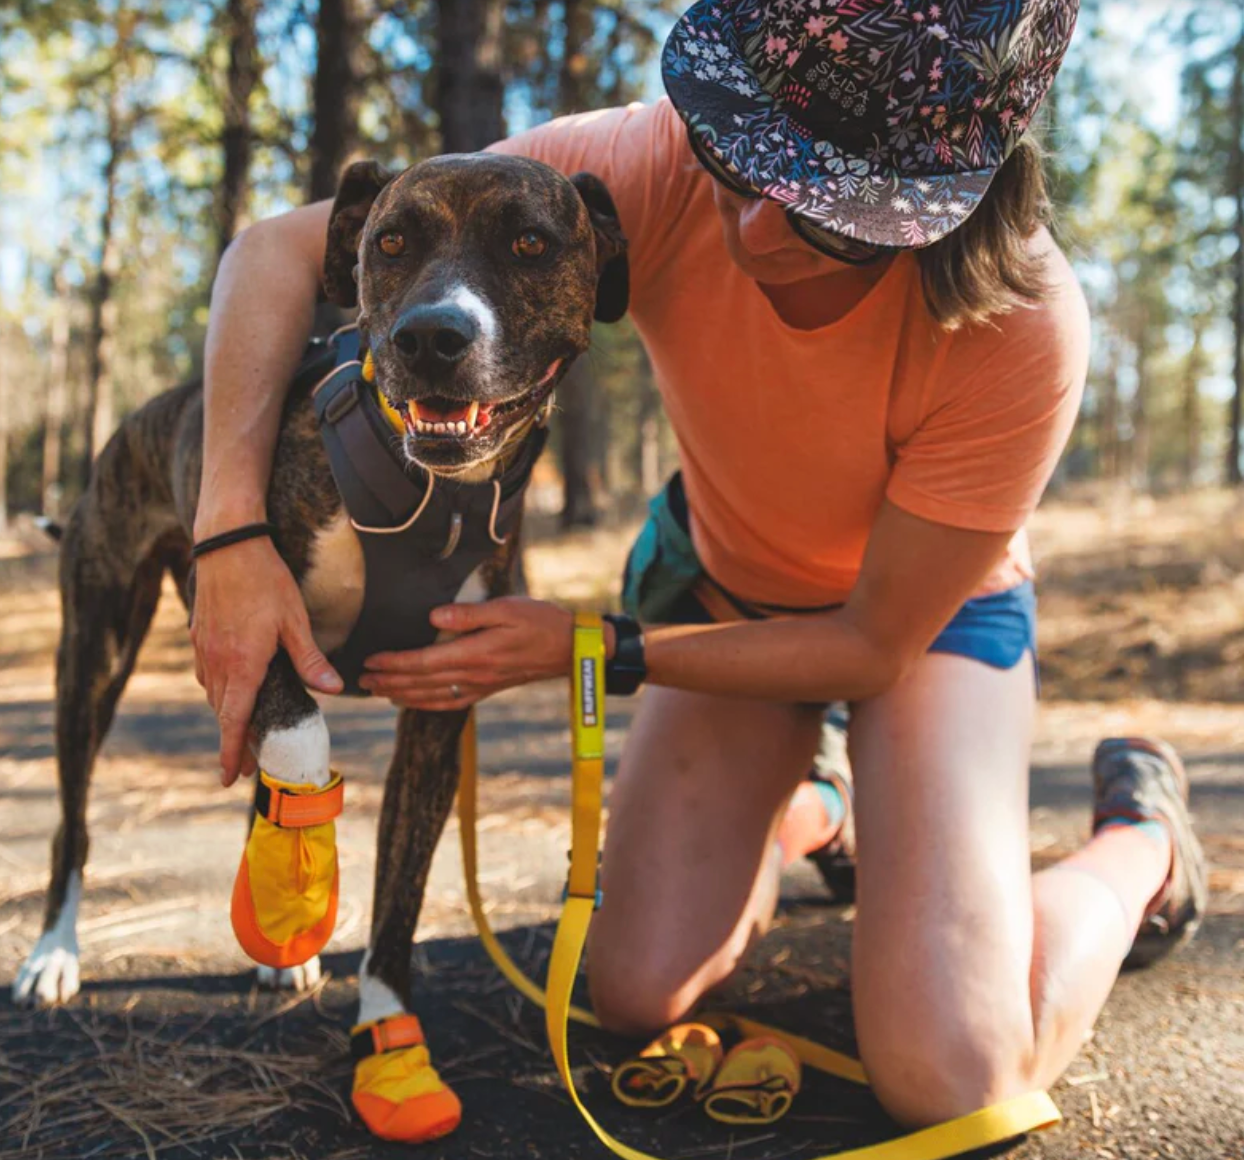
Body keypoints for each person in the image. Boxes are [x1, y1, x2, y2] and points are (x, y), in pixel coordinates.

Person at [192, 0, 1207, 1127]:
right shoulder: (649, 157)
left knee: (954, 1077)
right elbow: (275, 250)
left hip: (926, 631)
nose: (754, 230)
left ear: (942, 207)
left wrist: (590, 646)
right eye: (738, 162)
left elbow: (871, 644)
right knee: (635, 991)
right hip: (727, 591)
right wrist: (228, 535)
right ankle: (819, 802)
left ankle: (1142, 842)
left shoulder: (1022, 322)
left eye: (827, 212)